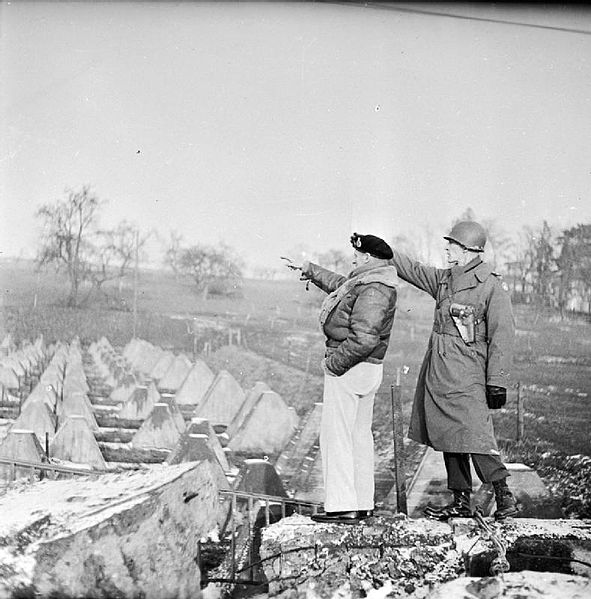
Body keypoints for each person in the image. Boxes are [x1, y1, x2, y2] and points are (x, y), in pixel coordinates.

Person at [390, 220, 519, 520]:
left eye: (453, 245)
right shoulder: (444, 280)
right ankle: (461, 501)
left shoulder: (491, 286)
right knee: (450, 434)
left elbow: (503, 335)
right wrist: (384, 251)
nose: (447, 248)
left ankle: (505, 497)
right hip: (440, 371)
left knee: (475, 434)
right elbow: (412, 270)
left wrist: (497, 382)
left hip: (469, 373)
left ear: (470, 250)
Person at [284, 233, 398, 524]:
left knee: (336, 436)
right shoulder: (372, 282)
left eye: (357, 256)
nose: (353, 259)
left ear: (369, 259)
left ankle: (341, 506)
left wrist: (334, 364)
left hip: (351, 367)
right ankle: (361, 503)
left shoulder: (374, 288)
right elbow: (341, 287)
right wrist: (308, 269)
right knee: (359, 436)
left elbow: (364, 338)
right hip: (365, 369)